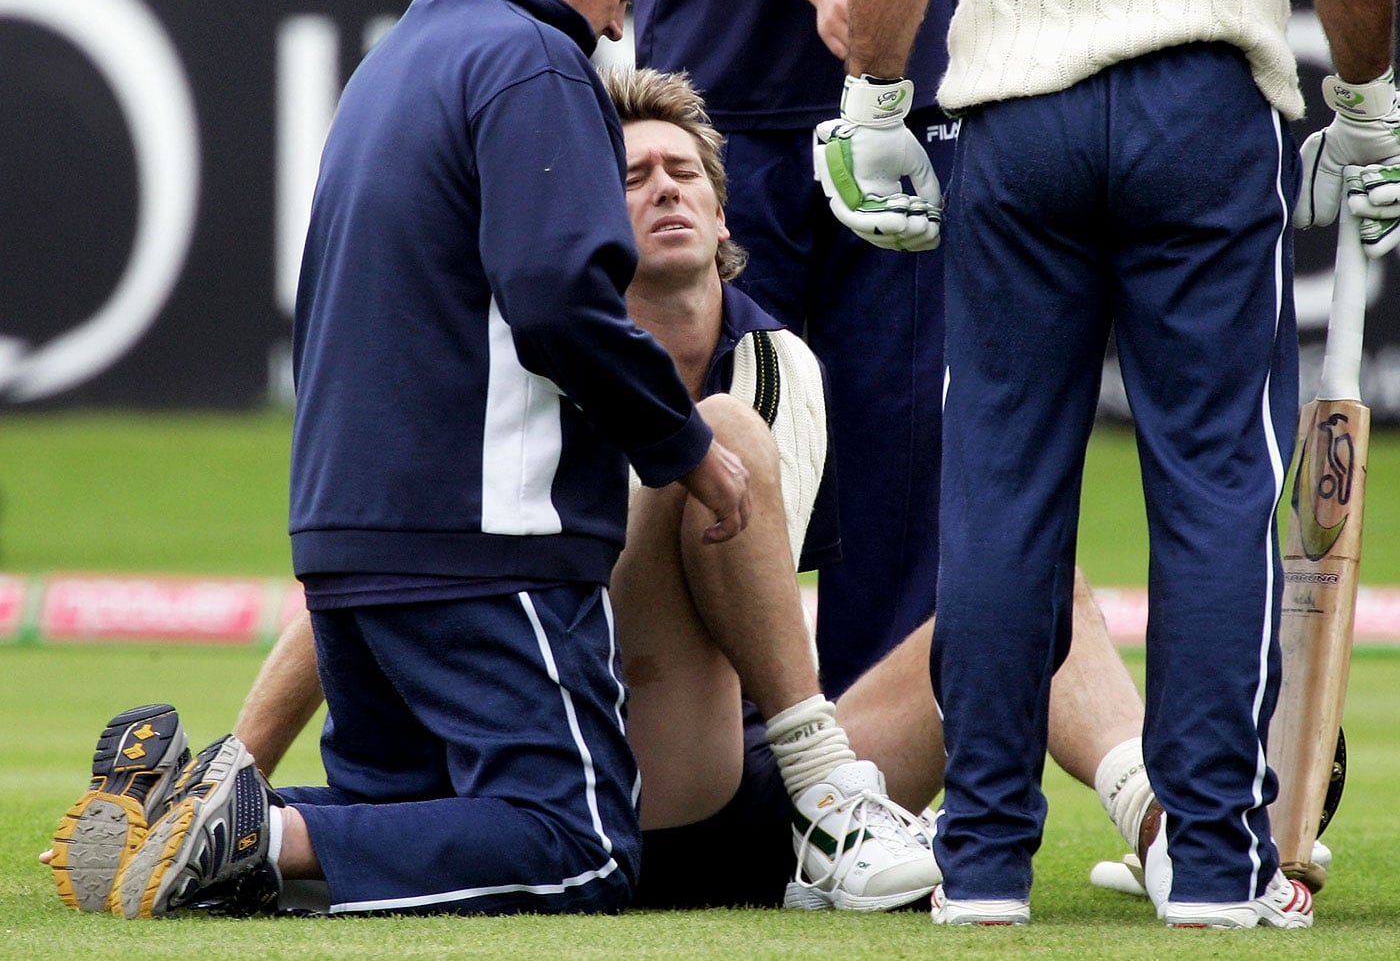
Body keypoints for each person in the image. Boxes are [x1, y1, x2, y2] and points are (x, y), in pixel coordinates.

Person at [48, 69, 1162, 919]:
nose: (665, 190)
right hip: (585, 764)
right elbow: (375, 570)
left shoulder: (779, 369)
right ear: (581, 218)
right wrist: (248, 748)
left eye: (685, 174)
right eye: (630, 177)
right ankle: (221, 808)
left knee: (1034, 591)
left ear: (727, 223)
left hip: (725, 760)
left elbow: (744, 624)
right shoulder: (536, 370)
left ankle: (1160, 822)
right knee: (660, 462)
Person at [46, 0, 750, 920]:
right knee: (577, 845)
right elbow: (558, 297)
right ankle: (244, 824)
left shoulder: (396, 62)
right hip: (482, 540)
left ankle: (196, 823)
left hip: (347, 537)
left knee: (399, 818)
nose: (622, 22)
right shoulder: (530, 57)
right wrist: (685, 447)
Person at [818, 0, 1400, 931]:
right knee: (1215, 486)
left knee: (998, 486)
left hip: (1016, 118)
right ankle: (1217, 864)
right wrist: (1368, 114)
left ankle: (983, 867)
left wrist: (871, 102)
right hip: (1202, 119)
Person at [607, 0, 968, 696]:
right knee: (698, 438)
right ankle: (710, 755)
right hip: (719, 104)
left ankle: (879, 787)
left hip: (916, 91)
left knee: (902, 441)